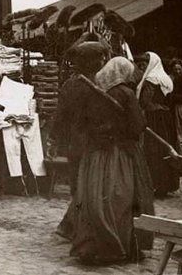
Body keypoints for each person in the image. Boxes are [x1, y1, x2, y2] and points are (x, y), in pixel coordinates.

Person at [69, 57, 154, 264]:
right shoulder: (125, 93)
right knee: (122, 198)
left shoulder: (93, 93)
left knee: (96, 197)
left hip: (95, 156)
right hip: (120, 154)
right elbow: (137, 126)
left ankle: (94, 246)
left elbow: (81, 123)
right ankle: (119, 246)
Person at [49, 41, 109, 239]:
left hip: (77, 141)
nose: (103, 61)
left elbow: (60, 116)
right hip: (91, 141)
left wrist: (55, 138)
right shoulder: (98, 83)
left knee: (80, 184)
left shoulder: (71, 83)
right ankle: (74, 226)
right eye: (100, 58)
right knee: (89, 185)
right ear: (91, 61)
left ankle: (73, 225)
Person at [135, 52, 178, 197]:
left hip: (153, 118)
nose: (142, 68)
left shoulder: (150, 80)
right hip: (166, 119)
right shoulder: (166, 80)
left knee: (153, 150)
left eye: (144, 65)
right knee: (165, 149)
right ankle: (165, 185)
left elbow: (144, 102)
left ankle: (154, 183)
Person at [168, 58, 182, 158]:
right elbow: (170, 95)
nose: (177, 71)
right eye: (175, 69)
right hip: (177, 108)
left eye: (179, 69)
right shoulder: (170, 80)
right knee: (180, 130)